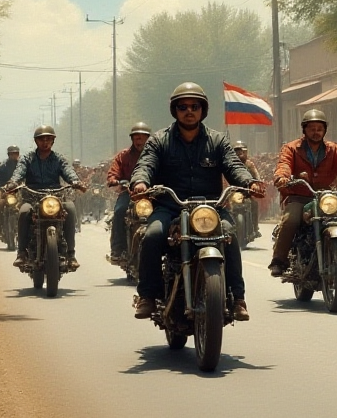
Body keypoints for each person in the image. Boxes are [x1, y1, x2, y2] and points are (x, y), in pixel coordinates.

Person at [130, 83, 265, 321]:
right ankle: (148, 296)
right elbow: (145, 164)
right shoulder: (159, 141)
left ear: (203, 110)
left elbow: (233, 165)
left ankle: (238, 297)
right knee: (151, 236)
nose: (189, 111)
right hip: (170, 208)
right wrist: (140, 182)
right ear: (175, 110)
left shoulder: (218, 141)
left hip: (210, 209)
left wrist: (249, 182)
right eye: (183, 106)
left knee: (230, 234)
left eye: (195, 106)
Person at [270, 109, 337, 280]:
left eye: (319, 129)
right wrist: (282, 177)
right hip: (299, 195)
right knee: (290, 219)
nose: (316, 132)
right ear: (304, 130)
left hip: (325, 197)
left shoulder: (333, 150)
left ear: (324, 131)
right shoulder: (292, 148)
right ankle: (279, 260)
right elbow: (284, 165)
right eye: (312, 128)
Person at [6, 126, 86, 269]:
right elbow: (19, 171)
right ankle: (21, 253)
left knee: (71, 208)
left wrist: (75, 181)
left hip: (56, 197)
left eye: (48, 139)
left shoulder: (59, 159)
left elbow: (68, 170)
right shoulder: (27, 158)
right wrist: (13, 183)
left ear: (53, 141)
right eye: (41, 139)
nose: (45, 142)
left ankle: (71, 254)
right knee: (24, 212)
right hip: (32, 196)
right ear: (36, 141)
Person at [107, 122, 150, 263]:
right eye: (137, 138)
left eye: (142, 138)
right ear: (132, 139)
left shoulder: (155, 154)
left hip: (151, 194)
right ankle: (117, 249)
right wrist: (114, 180)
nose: (140, 141)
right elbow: (114, 171)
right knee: (119, 211)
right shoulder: (123, 156)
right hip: (129, 193)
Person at [232, 140, 264, 238]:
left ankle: (254, 228)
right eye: (236, 151)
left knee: (254, 204)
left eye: (240, 151)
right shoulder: (229, 164)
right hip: (232, 193)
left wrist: (258, 182)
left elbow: (256, 175)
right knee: (226, 207)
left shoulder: (249, 164)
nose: (238, 154)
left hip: (247, 192)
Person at [0, 145, 20, 236]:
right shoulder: (3, 166)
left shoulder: (22, 165)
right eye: (12, 154)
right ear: (8, 155)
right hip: (6, 191)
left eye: (16, 153)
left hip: (20, 191)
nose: (14, 155)